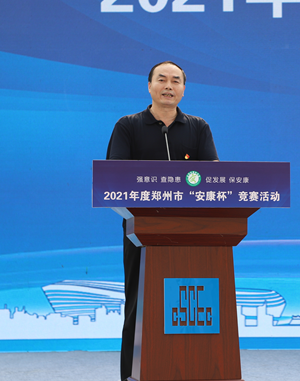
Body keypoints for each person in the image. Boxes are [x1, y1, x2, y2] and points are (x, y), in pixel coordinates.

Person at [106, 61, 218, 381]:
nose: (169, 86)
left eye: (176, 81)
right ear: (149, 86)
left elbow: (215, 178)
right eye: (162, 79)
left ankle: (193, 370)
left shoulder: (199, 127)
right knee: (140, 305)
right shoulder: (128, 126)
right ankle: (132, 375)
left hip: (192, 232)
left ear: (184, 88)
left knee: (190, 305)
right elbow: (115, 177)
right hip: (141, 231)